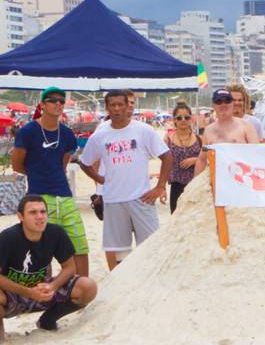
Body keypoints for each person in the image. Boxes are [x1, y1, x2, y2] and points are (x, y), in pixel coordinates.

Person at [0, 193, 100, 344]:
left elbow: (70, 267)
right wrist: (28, 292)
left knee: (88, 286)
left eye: (43, 212)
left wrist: (53, 286)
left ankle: (48, 319)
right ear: (20, 216)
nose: (39, 216)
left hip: (44, 290)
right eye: (33, 212)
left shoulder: (56, 232)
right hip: (13, 295)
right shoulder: (8, 237)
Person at [79, 90, 172, 271]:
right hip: (113, 200)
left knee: (151, 248)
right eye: (112, 105)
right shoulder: (100, 134)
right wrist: (100, 179)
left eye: (121, 104)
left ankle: (149, 287)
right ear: (106, 107)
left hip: (142, 198)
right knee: (120, 254)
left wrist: (160, 186)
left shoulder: (143, 130)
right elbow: (84, 163)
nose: (117, 109)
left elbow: (167, 156)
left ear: (127, 106)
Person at [10, 87, 90, 278]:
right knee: (40, 247)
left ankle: (81, 288)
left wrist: (51, 173)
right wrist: (37, 174)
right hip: (39, 196)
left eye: (61, 101)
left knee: (79, 243)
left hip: (64, 195)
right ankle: (43, 290)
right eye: (53, 100)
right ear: (42, 105)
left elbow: (63, 163)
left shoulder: (67, 133)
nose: (58, 104)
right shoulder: (28, 131)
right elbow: (17, 164)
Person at [163, 101, 203, 214]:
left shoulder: (199, 139)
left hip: (196, 187)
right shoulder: (168, 140)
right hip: (176, 187)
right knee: (176, 222)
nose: (183, 120)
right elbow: (164, 166)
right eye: (179, 118)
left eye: (186, 117)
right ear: (174, 120)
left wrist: (196, 160)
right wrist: (162, 188)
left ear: (191, 119)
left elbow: (209, 160)